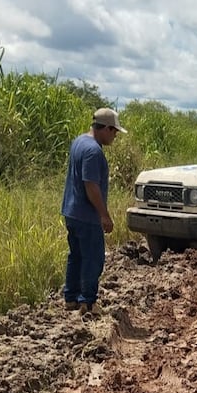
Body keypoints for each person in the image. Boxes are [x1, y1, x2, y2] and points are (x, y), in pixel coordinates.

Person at [61, 108, 127, 316]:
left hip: (71, 211)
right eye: (114, 131)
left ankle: (71, 298)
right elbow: (91, 185)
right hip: (86, 215)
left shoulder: (79, 142)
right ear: (106, 128)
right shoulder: (93, 151)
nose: (115, 136)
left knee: (76, 256)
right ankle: (87, 303)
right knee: (93, 259)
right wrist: (104, 215)